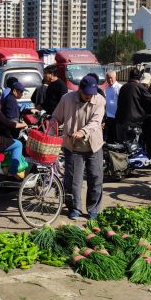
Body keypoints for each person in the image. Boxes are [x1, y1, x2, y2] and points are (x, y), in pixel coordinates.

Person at [53, 75, 105, 220]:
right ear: (79, 90)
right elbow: (56, 118)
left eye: (91, 94)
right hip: (73, 147)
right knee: (73, 181)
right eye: (86, 93)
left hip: (94, 146)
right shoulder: (67, 99)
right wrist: (51, 132)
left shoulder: (99, 100)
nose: (89, 96)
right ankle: (74, 208)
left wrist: (82, 132)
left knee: (95, 178)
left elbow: (96, 122)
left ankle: (93, 209)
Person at [115, 69, 151, 143]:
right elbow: (150, 100)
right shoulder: (139, 87)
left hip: (119, 122)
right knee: (131, 148)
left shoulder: (123, 87)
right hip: (132, 123)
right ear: (139, 78)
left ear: (129, 77)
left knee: (122, 147)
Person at [104, 70, 121, 143]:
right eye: (108, 78)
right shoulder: (107, 89)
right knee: (109, 137)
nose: (109, 80)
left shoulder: (119, 87)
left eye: (111, 78)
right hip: (109, 116)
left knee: (116, 138)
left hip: (116, 117)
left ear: (115, 77)